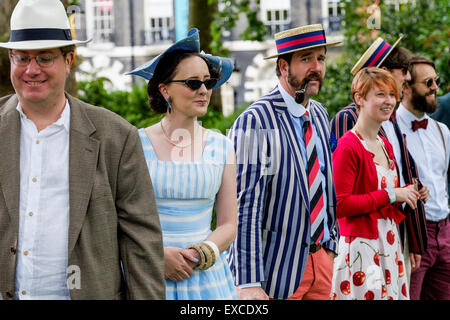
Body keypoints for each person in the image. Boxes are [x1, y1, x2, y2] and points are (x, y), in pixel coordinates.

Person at [0, 0, 165, 300]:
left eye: (44, 58)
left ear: (69, 60)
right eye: (22, 58)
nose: (31, 70)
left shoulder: (116, 137)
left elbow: (141, 243)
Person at [228, 24, 341, 300]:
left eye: (321, 58)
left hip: (322, 263)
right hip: (275, 271)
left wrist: (331, 245)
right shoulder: (256, 121)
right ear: (283, 66)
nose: (317, 67)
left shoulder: (319, 114)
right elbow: (246, 206)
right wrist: (248, 281)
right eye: (306, 59)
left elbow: (325, 184)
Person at [127, 28, 238, 300]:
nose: (203, 90)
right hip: (149, 276)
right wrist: (157, 256)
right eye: (192, 83)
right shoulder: (135, 144)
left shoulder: (222, 146)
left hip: (206, 280)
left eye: (208, 82)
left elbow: (228, 223)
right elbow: (121, 220)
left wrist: (202, 253)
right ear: (165, 90)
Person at [331, 37, 428, 284]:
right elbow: (344, 199)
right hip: (363, 244)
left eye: (391, 95)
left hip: (393, 235)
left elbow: (394, 180)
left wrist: (412, 191)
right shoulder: (349, 124)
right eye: (403, 71)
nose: (407, 78)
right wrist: (394, 194)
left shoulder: (389, 127)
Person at [397, 56, 450, 300]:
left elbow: (443, 182)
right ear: (406, 86)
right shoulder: (390, 129)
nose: (435, 88)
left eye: (436, 81)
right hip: (412, 235)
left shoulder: (442, 131)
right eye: (428, 82)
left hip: (445, 232)